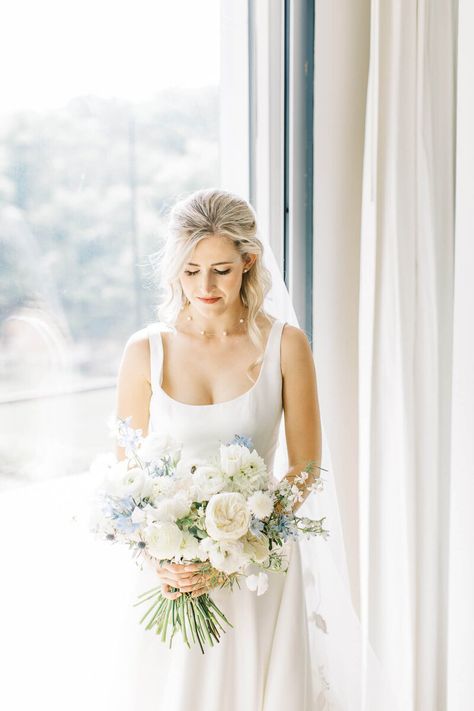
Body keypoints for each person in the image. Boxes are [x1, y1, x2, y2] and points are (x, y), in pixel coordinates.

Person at [113, 187, 322, 710]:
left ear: (248, 262)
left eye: (221, 270)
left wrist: (239, 546)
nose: (204, 286)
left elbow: (305, 466)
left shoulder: (285, 345)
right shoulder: (145, 351)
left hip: (257, 567)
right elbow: (126, 473)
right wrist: (160, 556)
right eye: (190, 270)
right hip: (172, 574)